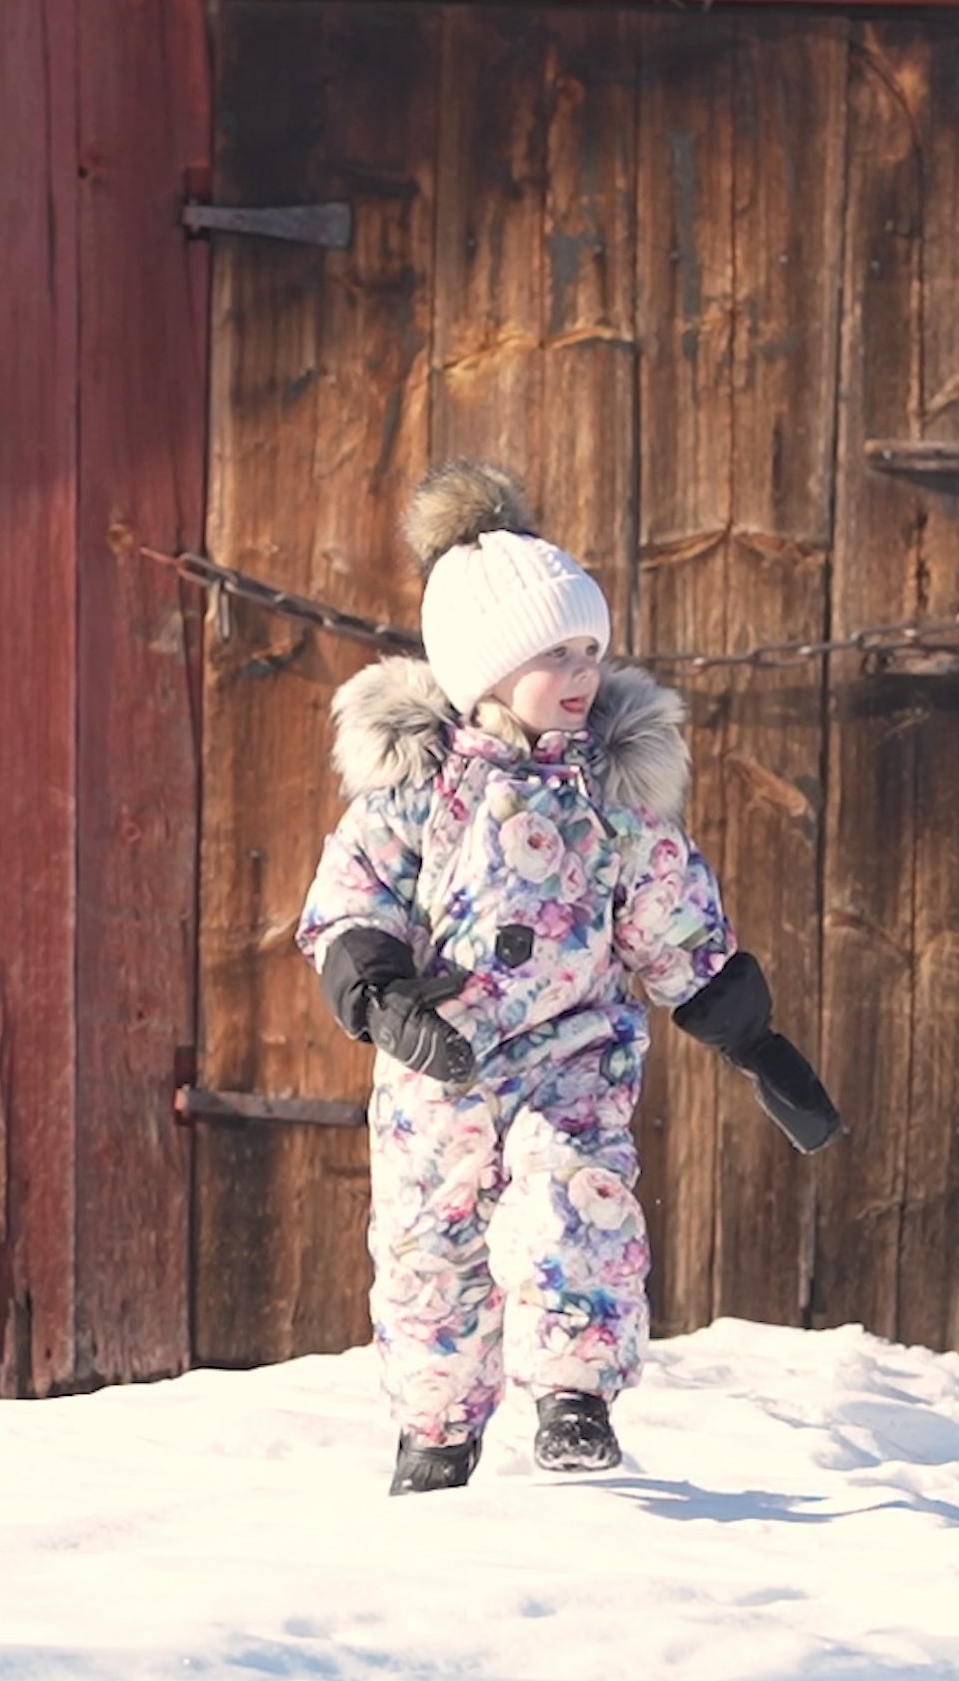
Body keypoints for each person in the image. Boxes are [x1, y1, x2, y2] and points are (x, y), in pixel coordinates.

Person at [296, 462, 839, 1497]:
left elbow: (672, 919)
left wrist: (756, 1041)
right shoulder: (418, 794)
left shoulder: (610, 799)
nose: (581, 670)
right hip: (437, 1079)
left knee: (575, 1207)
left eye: (590, 647)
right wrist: (380, 994)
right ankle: (435, 1434)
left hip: (569, 1062)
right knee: (428, 1260)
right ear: (484, 671)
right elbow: (348, 899)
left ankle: (574, 1398)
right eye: (554, 651)